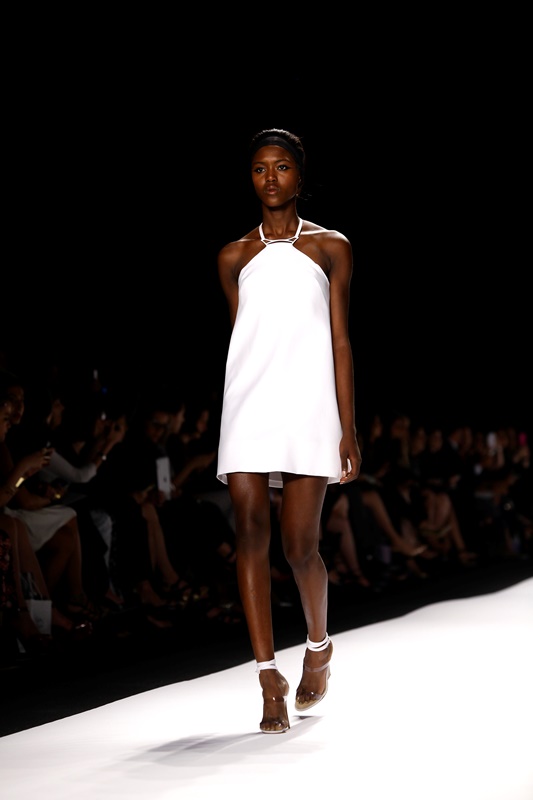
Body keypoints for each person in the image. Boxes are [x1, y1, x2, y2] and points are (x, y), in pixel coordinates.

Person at [216, 128, 362, 734]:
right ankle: (267, 677)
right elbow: (245, 340)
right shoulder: (234, 257)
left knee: (299, 545)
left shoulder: (331, 247)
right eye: (259, 168)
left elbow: (340, 340)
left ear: (299, 176)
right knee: (250, 533)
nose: (269, 178)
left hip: (308, 404)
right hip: (248, 403)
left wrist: (348, 427)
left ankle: (318, 645)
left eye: (280, 167)